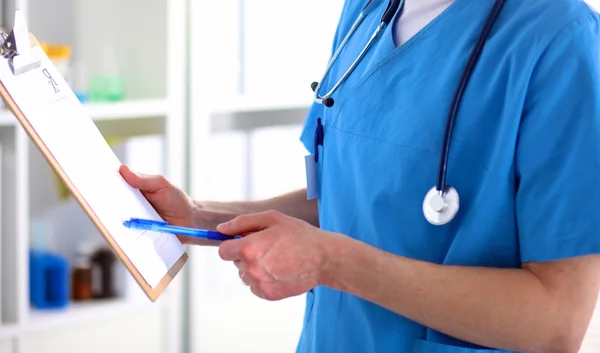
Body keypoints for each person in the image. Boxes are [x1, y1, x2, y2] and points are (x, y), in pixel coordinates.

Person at [120, 0, 600, 352]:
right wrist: (200, 216)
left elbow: (556, 322)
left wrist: (335, 263)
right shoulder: (367, 14)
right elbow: (349, 195)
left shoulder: (558, 37)